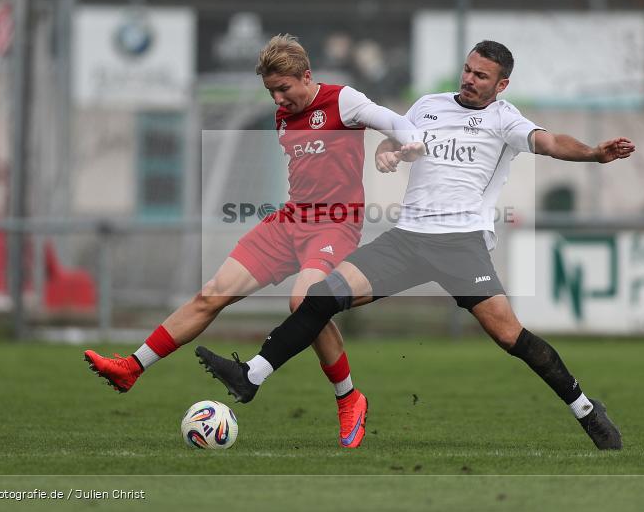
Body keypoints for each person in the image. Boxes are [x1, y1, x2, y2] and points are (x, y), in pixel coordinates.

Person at [195, 40, 635, 450]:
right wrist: (389, 152)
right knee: (319, 297)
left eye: (481, 76)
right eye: (467, 69)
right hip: (407, 239)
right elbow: (399, 138)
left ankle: (585, 409)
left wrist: (594, 153)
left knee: (508, 335)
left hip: (461, 245)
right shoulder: (429, 105)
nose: (468, 79)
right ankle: (251, 375)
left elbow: (551, 141)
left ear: (501, 85)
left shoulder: (505, 119)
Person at [84, 34, 423, 449]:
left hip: (334, 225)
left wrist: (403, 146)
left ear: (307, 76)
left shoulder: (342, 100)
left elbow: (395, 122)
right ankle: (132, 367)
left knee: (305, 302)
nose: (278, 99)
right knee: (212, 294)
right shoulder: (284, 115)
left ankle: (349, 398)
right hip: (290, 220)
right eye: (271, 91)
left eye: (284, 88)